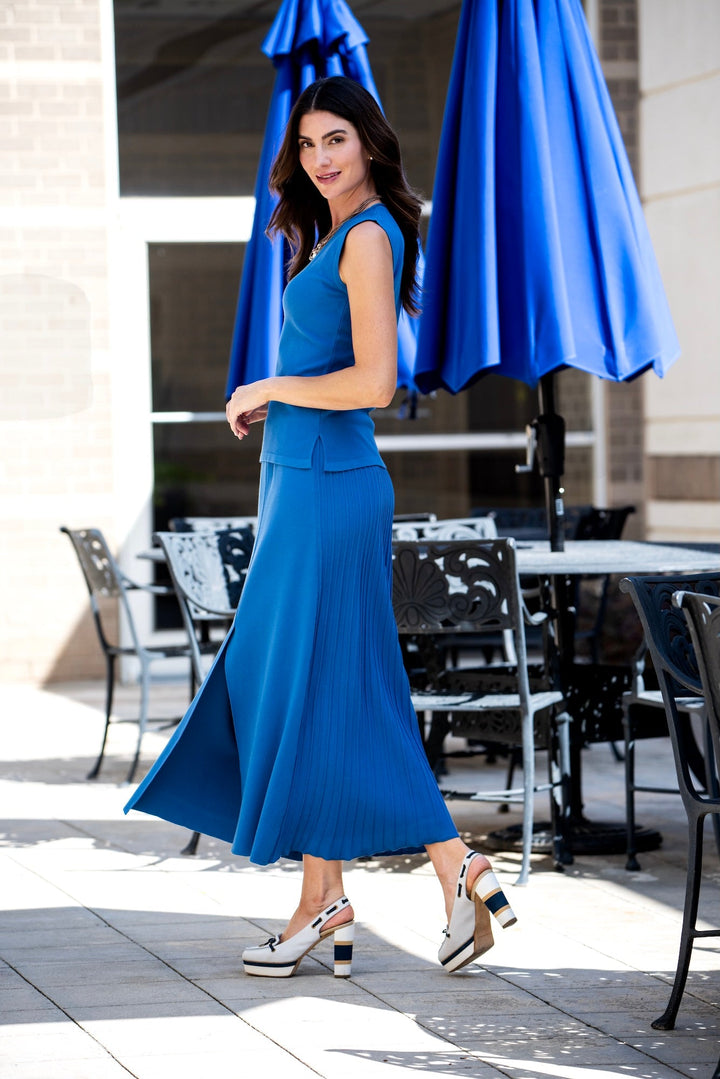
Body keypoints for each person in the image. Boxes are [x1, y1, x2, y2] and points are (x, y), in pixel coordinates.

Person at [125, 75, 517, 979]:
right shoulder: (334, 236)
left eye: (336, 138)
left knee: (320, 685)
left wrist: (270, 387)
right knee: (307, 687)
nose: (321, 157)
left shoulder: (371, 236)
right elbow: (336, 370)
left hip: (331, 489)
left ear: (371, 143)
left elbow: (378, 383)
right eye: (308, 145)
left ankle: (445, 867)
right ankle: (330, 896)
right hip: (304, 483)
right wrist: (282, 402)